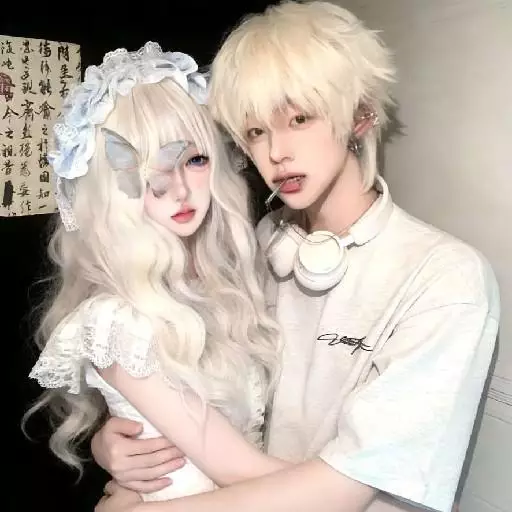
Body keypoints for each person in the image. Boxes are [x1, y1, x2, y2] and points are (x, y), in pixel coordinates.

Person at [92, 2, 500, 512]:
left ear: (360, 115)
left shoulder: (444, 277)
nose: (275, 153)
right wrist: (121, 437)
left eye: (299, 119)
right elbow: (195, 392)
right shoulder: (260, 244)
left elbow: (347, 489)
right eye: (255, 132)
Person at [25, 41, 290, 503]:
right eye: (143, 170)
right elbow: (237, 468)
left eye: (194, 159)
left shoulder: (230, 283)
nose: (179, 189)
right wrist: (380, 492)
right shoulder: (114, 319)